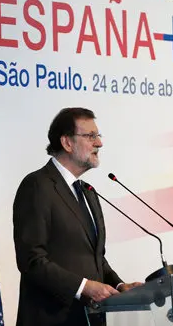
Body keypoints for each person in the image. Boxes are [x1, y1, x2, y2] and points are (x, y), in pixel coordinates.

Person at [13, 107, 141, 326]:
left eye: (98, 136)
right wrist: (84, 288)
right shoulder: (37, 185)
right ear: (67, 143)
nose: (99, 143)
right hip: (51, 319)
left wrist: (120, 286)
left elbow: (96, 257)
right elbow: (31, 260)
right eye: (90, 136)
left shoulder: (87, 191)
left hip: (89, 318)